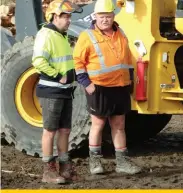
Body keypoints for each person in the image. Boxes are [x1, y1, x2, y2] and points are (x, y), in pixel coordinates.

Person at [73, 0, 141, 175]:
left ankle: (122, 162)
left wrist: (130, 81)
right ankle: (95, 162)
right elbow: (78, 62)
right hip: (99, 87)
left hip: (120, 86)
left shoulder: (121, 33)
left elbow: (127, 59)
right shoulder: (87, 36)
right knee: (98, 124)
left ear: (113, 16)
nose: (105, 20)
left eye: (108, 16)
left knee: (119, 124)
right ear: (95, 17)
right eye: (102, 17)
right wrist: (86, 84)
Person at [32, 0, 82, 184]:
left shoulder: (61, 35)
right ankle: (49, 170)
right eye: (65, 16)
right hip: (51, 91)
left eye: (69, 16)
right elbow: (38, 61)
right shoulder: (46, 35)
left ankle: (64, 166)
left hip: (65, 91)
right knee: (49, 131)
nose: (69, 20)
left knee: (65, 130)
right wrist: (58, 76)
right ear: (54, 16)